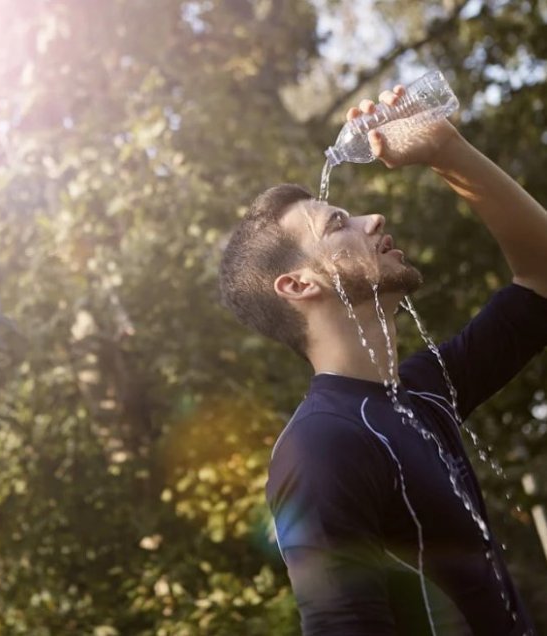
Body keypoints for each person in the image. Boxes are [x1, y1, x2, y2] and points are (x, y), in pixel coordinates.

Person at [218, 84, 547, 635]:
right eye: (337, 224)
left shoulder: (425, 390)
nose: (372, 219)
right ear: (298, 284)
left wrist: (446, 149)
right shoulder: (319, 446)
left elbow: (541, 280)